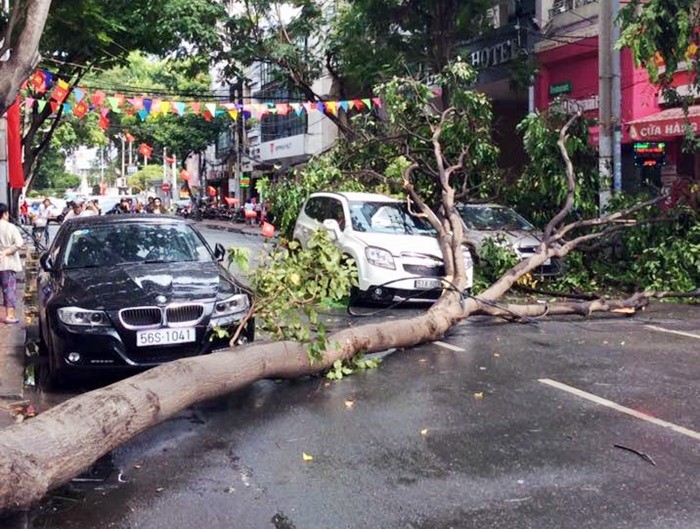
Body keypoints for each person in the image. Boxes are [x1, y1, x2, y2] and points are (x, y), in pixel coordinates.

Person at [0, 203, 24, 324]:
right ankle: (9, 316)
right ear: (5, 214)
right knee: (9, 289)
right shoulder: (10, 227)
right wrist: (8, 251)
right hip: (7, 264)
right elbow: (19, 243)